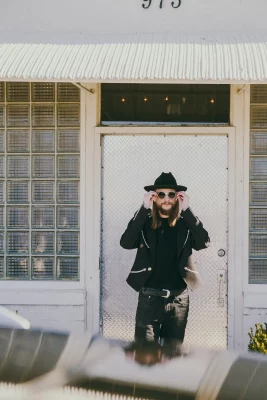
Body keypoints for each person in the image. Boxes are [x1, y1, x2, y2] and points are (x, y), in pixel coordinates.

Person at [120, 172, 210, 348]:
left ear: (177, 198)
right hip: (149, 299)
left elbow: (204, 242)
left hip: (178, 301)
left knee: (172, 357)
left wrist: (188, 210)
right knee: (145, 355)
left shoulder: (185, 222)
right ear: (154, 197)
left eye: (171, 194)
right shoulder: (144, 221)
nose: (166, 199)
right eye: (161, 194)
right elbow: (126, 242)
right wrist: (144, 208)